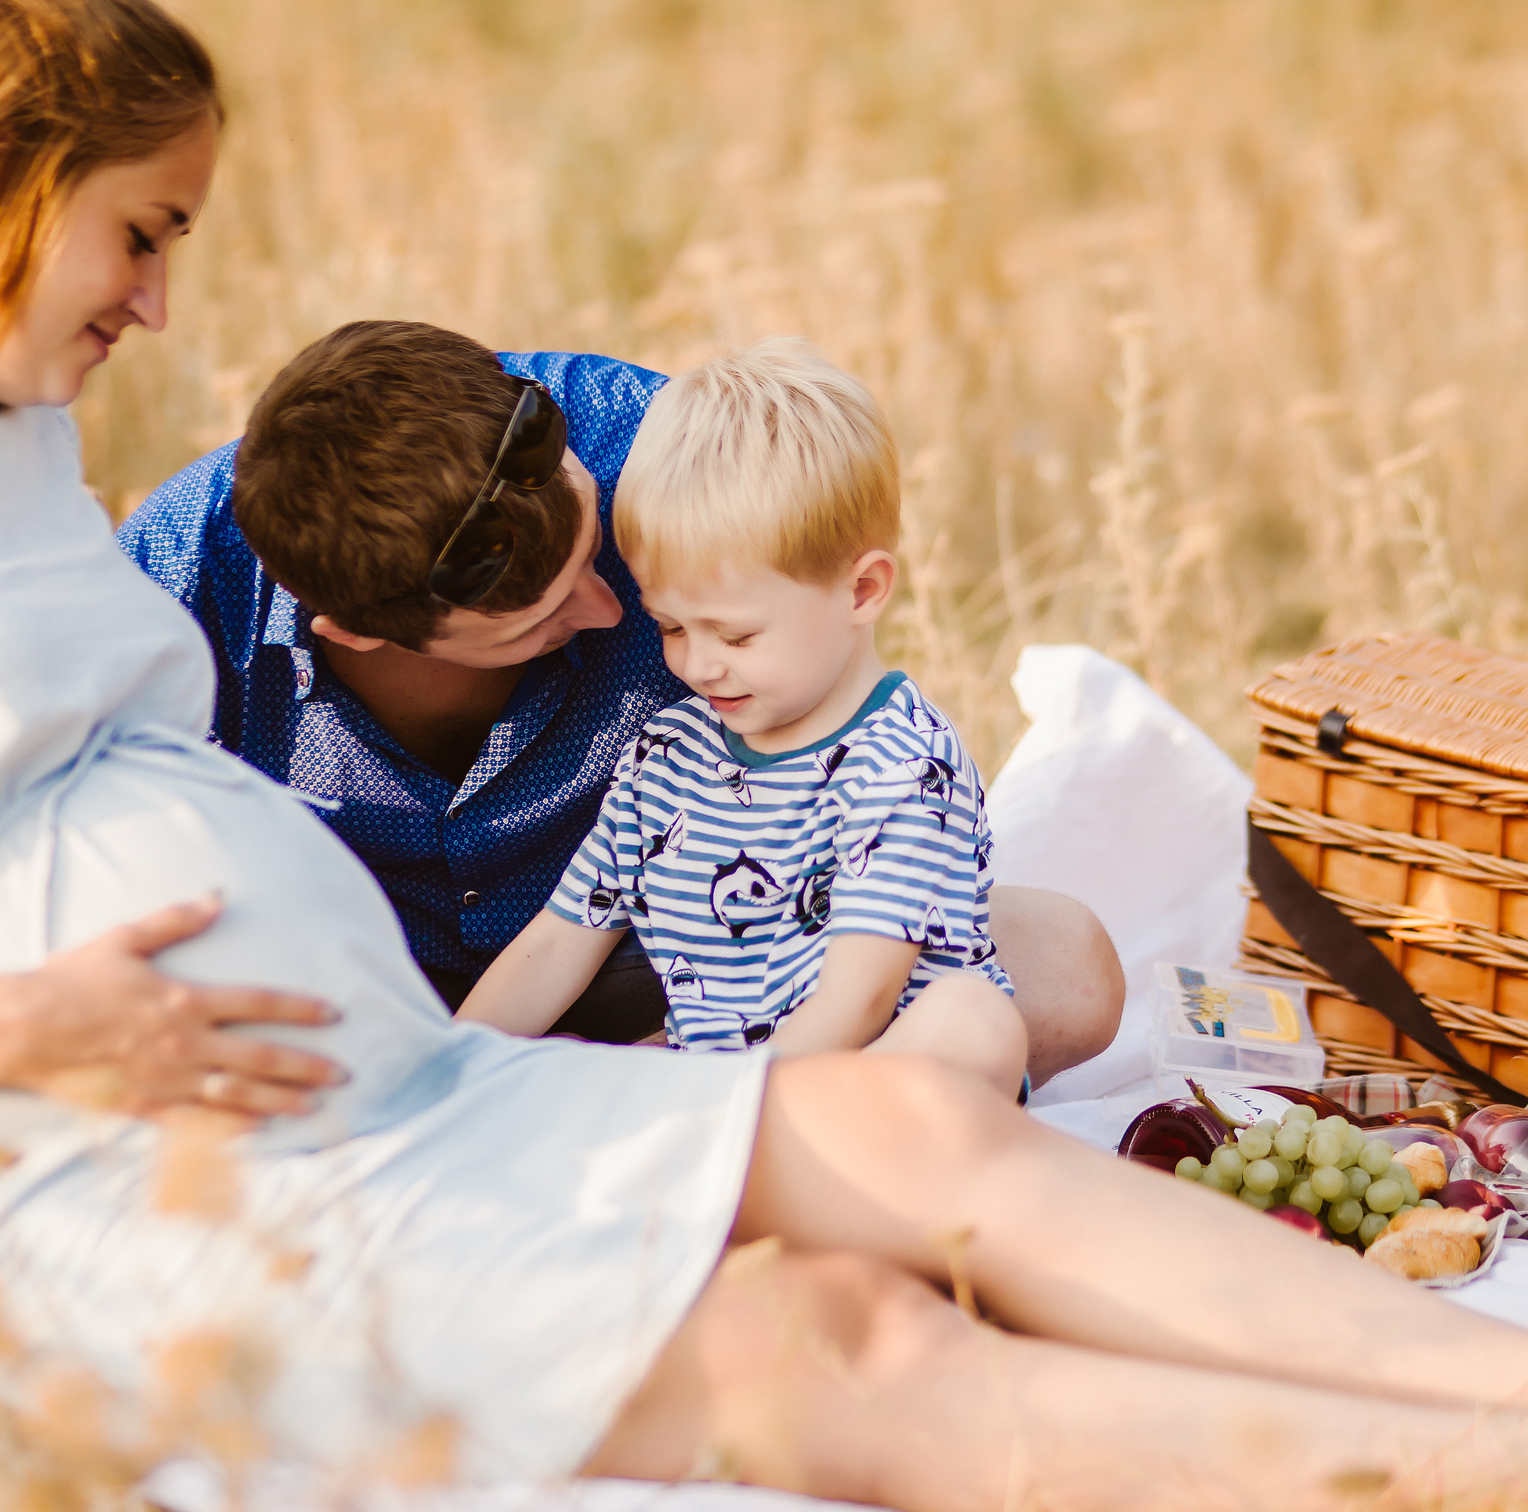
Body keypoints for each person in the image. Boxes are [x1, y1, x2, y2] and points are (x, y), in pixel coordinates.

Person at [0, 0, 1528, 1512]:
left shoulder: (3, 445)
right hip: (92, 1181)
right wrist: (0, 1035)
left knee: (920, 1136)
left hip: (378, 1081)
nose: (159, 301)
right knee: (835, 1338)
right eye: (142, 230)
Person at [118, 317, 1122, 1079]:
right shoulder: (163, 592)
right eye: (536, 621)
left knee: (1057, 974)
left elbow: (816, 690)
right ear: (358, 634)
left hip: (687, 951)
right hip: (358, 979)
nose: (612, 613)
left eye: (602, 555)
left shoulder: (670, 456)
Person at [459, 340, 1026, 1095]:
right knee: (567, 1064)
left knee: (971, 1021)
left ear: (862, 592)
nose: (696, 665)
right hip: (723, 1097)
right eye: (669, 627)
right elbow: (560, 941)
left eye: (735, 635)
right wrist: (449, 1067)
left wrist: (718, 1114)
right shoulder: (667, 753)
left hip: (852, 1096)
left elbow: (858, 1002)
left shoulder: (902, 764)